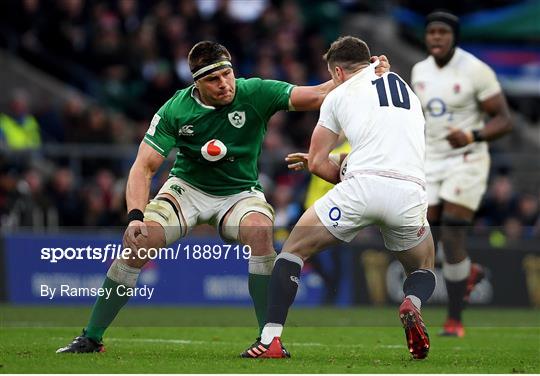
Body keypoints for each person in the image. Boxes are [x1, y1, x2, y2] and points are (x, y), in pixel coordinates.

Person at [56, 40, 389, 354]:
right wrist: (134, 216)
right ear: (196, 83)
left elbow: (318, 94)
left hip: (239, 193)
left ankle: (267, 340)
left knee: (260, 232)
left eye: (227, 74)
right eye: (214, 79)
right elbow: (143, 167)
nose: (225, 84)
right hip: (186, 189)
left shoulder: (255, 92)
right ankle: (92, 336)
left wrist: (364, 74)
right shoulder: (176, 109)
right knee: (139, 244)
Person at [241, 36, 435, 360]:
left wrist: (338, 168)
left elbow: (317, 162)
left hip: (361, 188)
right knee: (423, 266)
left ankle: (271, 339)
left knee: (292, 250)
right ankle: (412, 304)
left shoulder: (338, 94)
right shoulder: (402, 85)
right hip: (410, 191)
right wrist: (349, 164)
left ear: (338, 72)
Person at [411, 11, 512, 337]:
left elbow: (503, 119)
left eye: (443, 32)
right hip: (432, 159)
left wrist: (472, 136)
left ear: (454, 36)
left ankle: (454, 320)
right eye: (432, 32)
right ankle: (467, 273)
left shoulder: (476, 70)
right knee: (430, 235)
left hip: (467, 157)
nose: (436, 38)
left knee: (453, 229)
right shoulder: (419, 70)